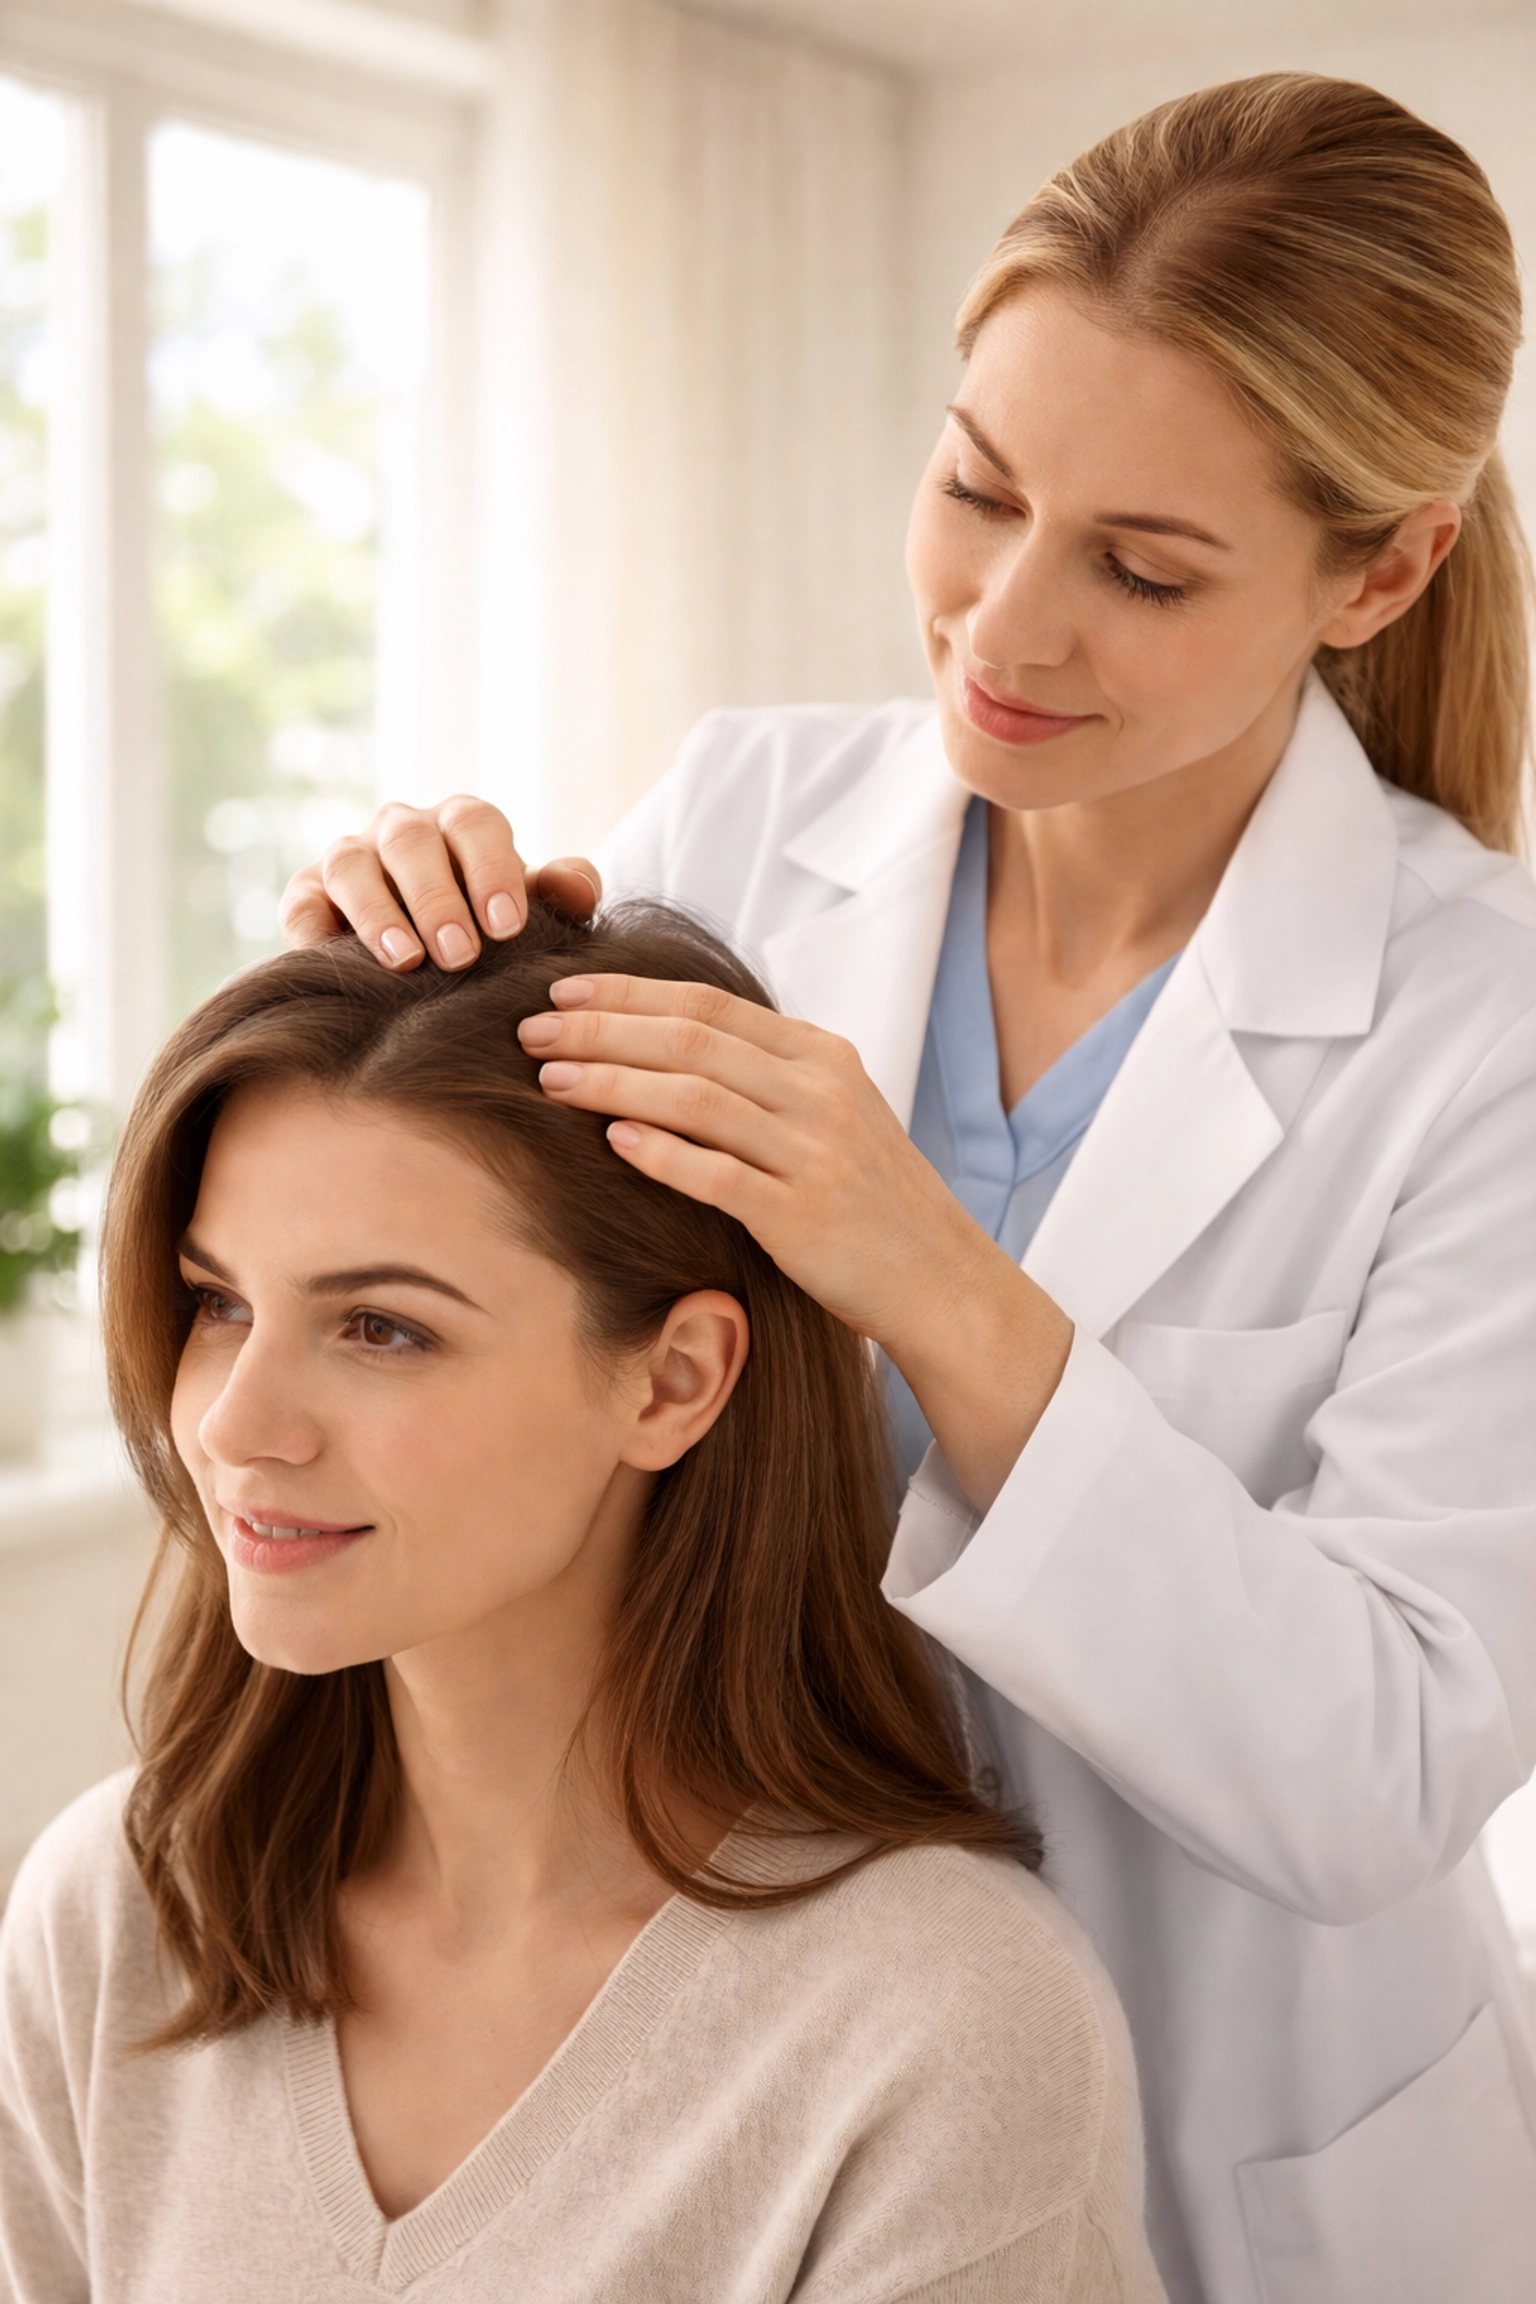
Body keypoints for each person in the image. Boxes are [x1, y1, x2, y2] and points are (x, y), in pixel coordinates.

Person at [282, 72, 1536, 2304]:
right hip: (769, 2073)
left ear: (1388, 565)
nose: (1004, 628)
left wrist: (939, 1284)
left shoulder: (1480, 1028)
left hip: (1242, 2144)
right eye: (978, 488)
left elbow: (1383, 1767)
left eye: (1144, 569)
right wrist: (382, 975)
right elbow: (513, 1344)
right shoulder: (740, 825)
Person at [0, 902, 1162, 2304]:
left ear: (672, 1382)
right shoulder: (121, 1911)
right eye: (216, 1303)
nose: (240, 1426)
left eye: (382, 1328)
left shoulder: (944, 2028)